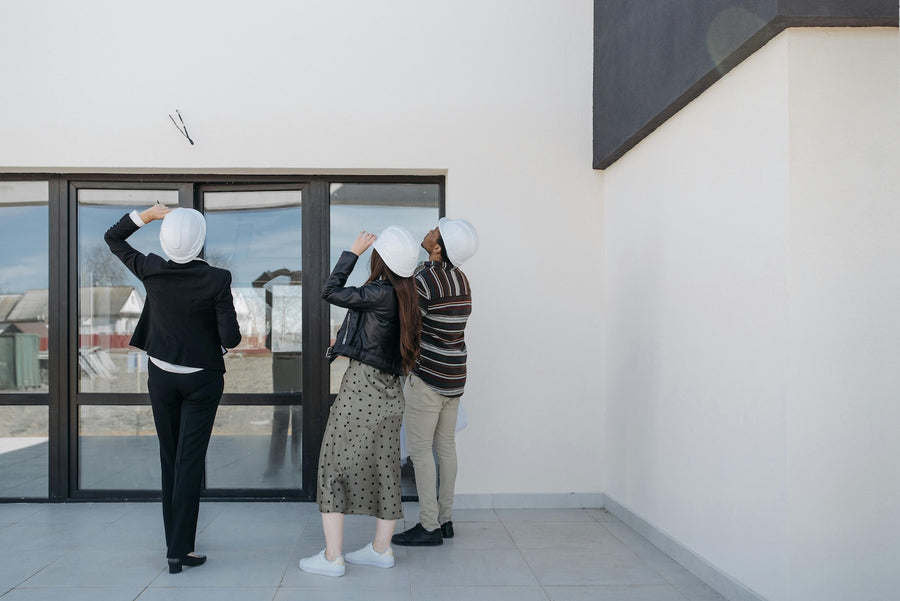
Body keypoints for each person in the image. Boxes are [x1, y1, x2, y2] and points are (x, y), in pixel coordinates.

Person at [104, 205, 241, 574]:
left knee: (170, 457)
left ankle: (175, 548)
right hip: (202, 379)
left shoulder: (152, 268)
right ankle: (180, 549)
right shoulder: (217, 278)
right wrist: (217, 343)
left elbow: (113, 237)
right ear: (199, 241)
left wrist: (146, 216)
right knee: (189, 462)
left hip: (161, 376)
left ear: (166, 240)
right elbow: (231, 337)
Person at [298, 226, 421, 577]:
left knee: (333, 465)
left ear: (381, 258)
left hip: (362, 388)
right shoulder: (409, 297)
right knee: (385, 469)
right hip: (391, 392)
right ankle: (382, 550)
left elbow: (330, 290)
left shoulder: (379, 292)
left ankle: (332, 557)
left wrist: (352, 252)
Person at [392, 218, 478, 547]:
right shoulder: (463, 280)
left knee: (420, 452)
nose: (428, 231)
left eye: (434, 232)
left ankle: (427, 526)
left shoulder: (425, 280)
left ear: (438, 248)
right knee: (446, 448)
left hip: (427, 378)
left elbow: (409, 328)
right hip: (455, 376)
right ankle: (446, 519)